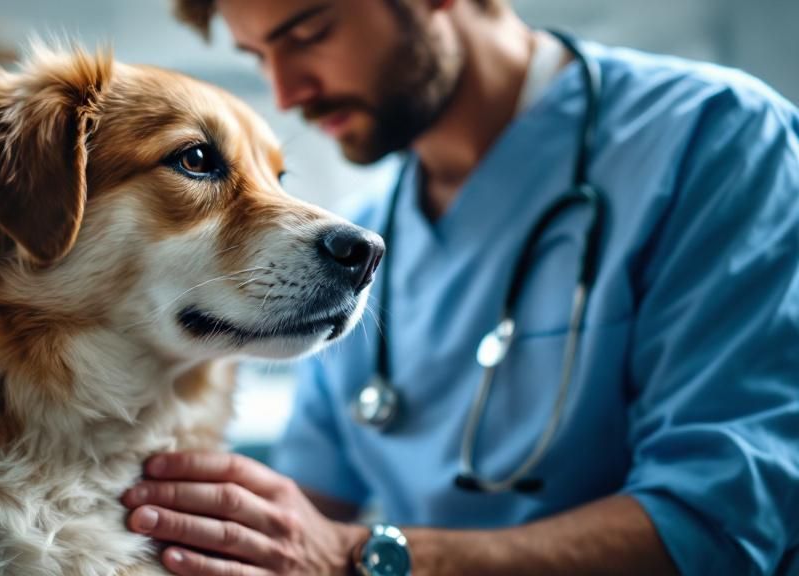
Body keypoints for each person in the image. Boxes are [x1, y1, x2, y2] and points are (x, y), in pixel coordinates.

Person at [120, 1, 799, 574]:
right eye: (258, 57)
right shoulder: (359, 235)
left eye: (309, 34)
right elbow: (301, 509)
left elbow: (726, 517)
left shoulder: (719, 139)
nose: (290, 90)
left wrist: (367, 556)